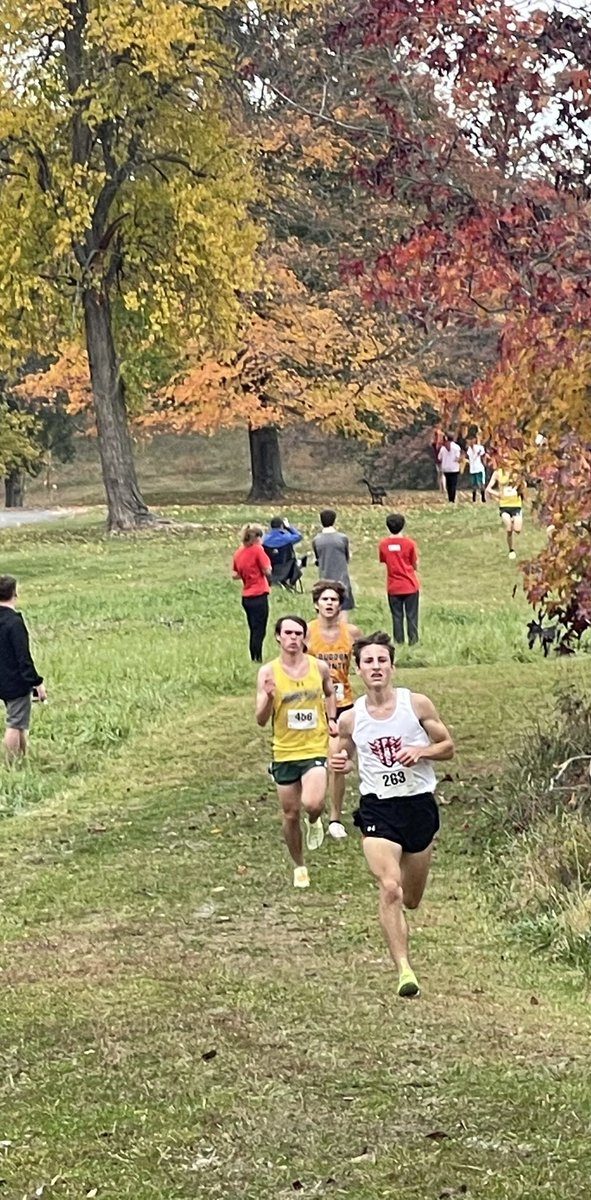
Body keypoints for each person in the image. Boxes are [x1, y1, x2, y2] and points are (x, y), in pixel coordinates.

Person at [330, 632, 454, 998]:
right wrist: (337, 785)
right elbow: (339, 761)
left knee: (411, 898)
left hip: (417, 805)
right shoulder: (351, 719)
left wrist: (422, 751)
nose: (376, 667)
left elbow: (448, 746)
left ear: (392, 666)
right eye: (368, 661)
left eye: (381, 660)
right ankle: (404, 969)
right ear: (358, 670)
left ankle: (403, 938)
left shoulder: (416, 705)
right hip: (378, 807)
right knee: (389, 887)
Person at [256, 615, 337, 889]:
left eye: (298, 633)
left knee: (313, 803)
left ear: (305, 638)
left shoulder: (319, 667)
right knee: (290, 814)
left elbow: (330, 693)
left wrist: (332, 718)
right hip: (284, 751)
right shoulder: (268, 672)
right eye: (288, 633)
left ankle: (314, 820)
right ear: (278, 637)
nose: (293, 638)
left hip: (314, 746)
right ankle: (299, 865)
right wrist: (269, 697)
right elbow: (260, 720)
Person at [307, 580, 363, 840]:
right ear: (316, 604)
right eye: (325, 599)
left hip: (344, 704)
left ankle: (335, 818)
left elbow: (365, 660)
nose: (329, 604)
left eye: (334, 600)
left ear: (340, 605)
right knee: (312, 762)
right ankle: (311, 810)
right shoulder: (306, 632)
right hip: (313, 705)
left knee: (338, 761)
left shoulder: (351, 633)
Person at [0, 575, 46, 761]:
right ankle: (12, 762)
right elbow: (23, 658)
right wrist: (36, 682)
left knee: (20, 721)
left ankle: (22, 757)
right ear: (14, 594)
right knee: (15, 723)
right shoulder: (14, 623)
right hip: (14, 681)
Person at [232, 523, 272, 662]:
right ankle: (257, 658)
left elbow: (235, 574)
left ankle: (253, 656)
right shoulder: (257, 550)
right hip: (259, 594)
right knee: (260, 630)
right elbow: (267, 570)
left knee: (253, 628)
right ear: (258, 537)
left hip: (246, 596)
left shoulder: (239, 552)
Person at [378, 514, 420, 646]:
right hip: (410, 585)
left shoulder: (383, 544)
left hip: (393, 586)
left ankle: (399, 642)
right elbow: (414, 563)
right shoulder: (409, 543)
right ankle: (413, 641)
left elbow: (384, 560)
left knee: (397, 616)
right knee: (412, 615)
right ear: (403, 525)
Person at [312, 509, 354, 610]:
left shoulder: (317, 540)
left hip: (324, 577)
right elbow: (346, 556)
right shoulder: (342, 538)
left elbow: (317, 558)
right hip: (342, 579)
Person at [486, 463, 525, 559]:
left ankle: (513, 520)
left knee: (517, 530)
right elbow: (488, 489)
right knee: (509, 528)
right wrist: (498, 495)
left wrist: (521, 489)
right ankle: (511, 550)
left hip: (516, 505)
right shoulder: (497, 473)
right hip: (504, 506)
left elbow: (524, 485)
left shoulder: (516, 472)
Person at [262, 517, 303, 591]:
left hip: (270, 567)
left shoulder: (264, 539)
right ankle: (289, 583)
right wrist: (288, 527)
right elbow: (299, 536)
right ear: (282, 526)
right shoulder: (286, 538)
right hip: (286, 568)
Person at [438, 434, 462, 503]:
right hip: (454, 468)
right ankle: (452, 498)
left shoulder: (443, 448)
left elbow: (439, 458)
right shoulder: (456, 447)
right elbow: (457, 458)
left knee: (448, 484)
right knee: (453, 484)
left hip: (445, 468)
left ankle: (450, 498)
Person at [466, 435, 487, 503]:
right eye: (468, 440)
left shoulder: (479, 448)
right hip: (472, 469)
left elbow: (483, 455)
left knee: (480, 483)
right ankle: (474, 498)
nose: (470, 442)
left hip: (479, 468)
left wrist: (484, 464)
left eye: (471, 440)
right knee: (473, 484)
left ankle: (483, 498)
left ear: (474, 440)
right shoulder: (468, 450)